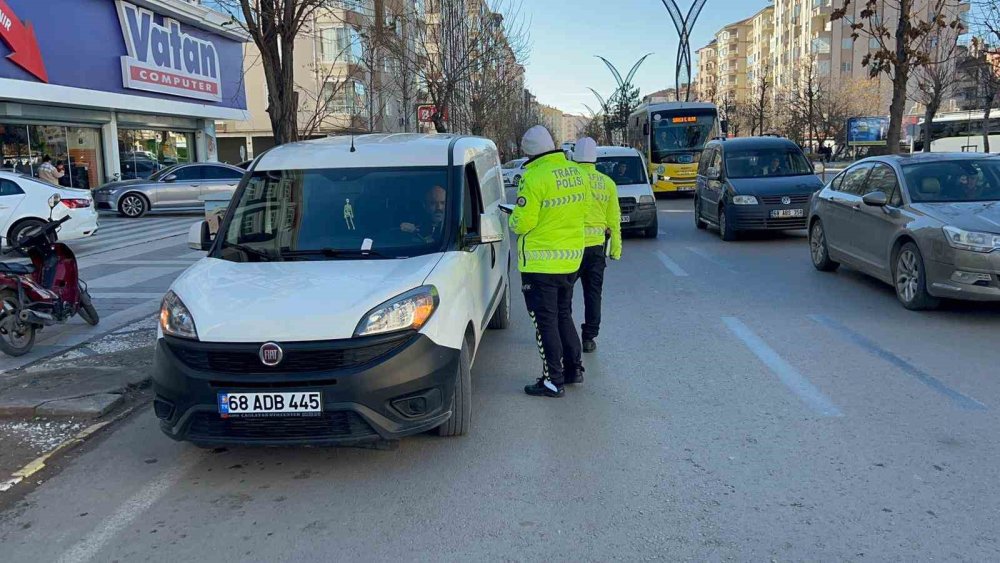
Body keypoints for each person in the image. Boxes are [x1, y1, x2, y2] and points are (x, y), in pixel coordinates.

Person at [510, 125, 589, 398]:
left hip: (540, 265)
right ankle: (573, 370)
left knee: (545, 323)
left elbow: (523, 222)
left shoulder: (533, 177)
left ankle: (552, 381)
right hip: (570, 261)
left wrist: (512, 217)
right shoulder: (576, 173)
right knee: (564, 315)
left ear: (529, 153)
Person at [573, 138, 622, 355]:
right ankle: (589, 338)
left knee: (563, 295)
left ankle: (560, 334)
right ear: (595, 158)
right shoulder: (608, 183)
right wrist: (616, 250)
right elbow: (614, 220)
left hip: (570, 247)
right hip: (596, 249)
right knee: (593, 294)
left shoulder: (571, 180)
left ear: (574, 156)